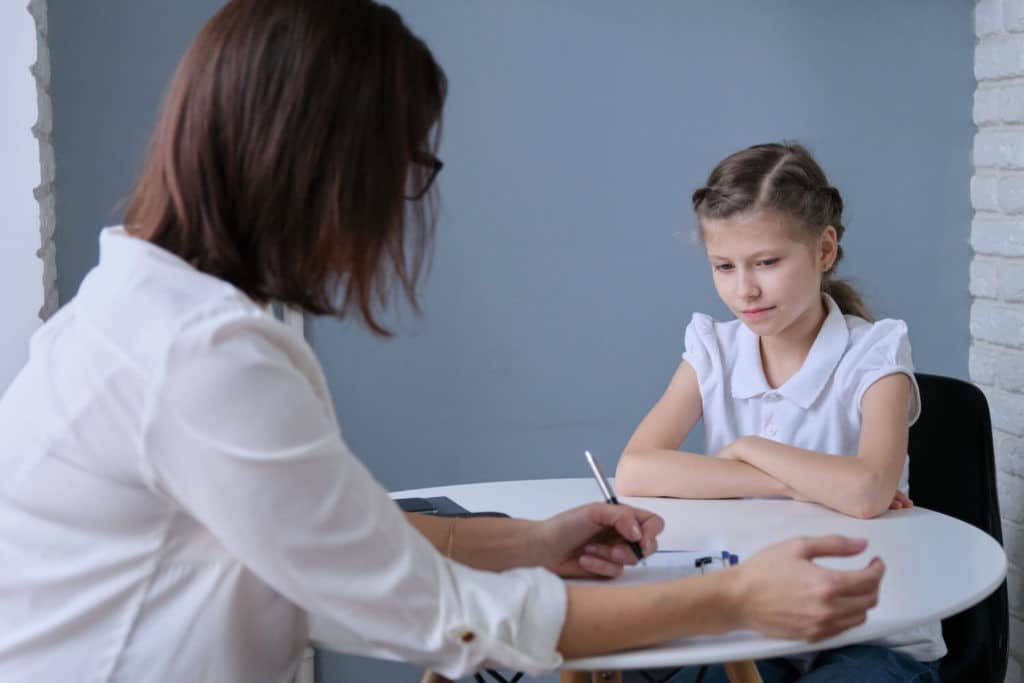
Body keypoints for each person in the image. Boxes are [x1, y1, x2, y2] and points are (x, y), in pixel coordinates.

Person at [0, 5, 885, 682]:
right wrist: (732, 595)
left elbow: (343, 536)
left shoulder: (147, 314)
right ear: (328, 167)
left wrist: (538, 540)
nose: (404, 201)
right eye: (407, 166)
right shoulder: (201, 355)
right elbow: (438, 614)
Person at [615, 142, 944, 682]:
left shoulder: (877, 352)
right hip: (751, 626)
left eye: (767, 262)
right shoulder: (712, 349)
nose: (744, 289)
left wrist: (751, 449)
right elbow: (637, 468)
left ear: (824, 249)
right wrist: (793, 483)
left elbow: (865, 493)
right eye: (724, 266)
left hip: (873, 634)